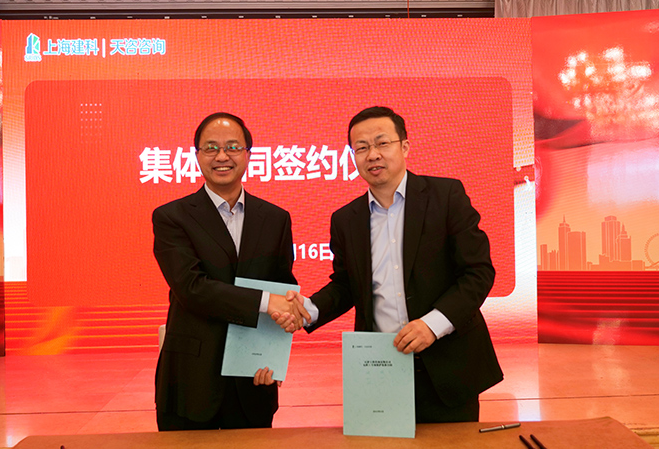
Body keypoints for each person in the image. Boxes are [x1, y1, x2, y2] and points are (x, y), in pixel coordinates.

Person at [285, 106, 503, 423]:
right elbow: (346, 284)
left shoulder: (446, 196)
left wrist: (432, 325)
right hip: (381, 367)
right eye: (361, 147)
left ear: (404, 147)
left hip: (448, 364)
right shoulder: (346, 219)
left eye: (382, 143)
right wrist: (308, 309)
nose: (372, 154)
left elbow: (477, 273)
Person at [152, 112, 308, 431]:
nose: (222, 156)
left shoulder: (275, 218)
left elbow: (282, 287)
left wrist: (274, 355)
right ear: (197, 155)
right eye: (211, 147)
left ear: (248, 154)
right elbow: (192, 288)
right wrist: (267, 302)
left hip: (254, 378)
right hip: (191, 382)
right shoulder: (171, 217)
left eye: (233, 147)